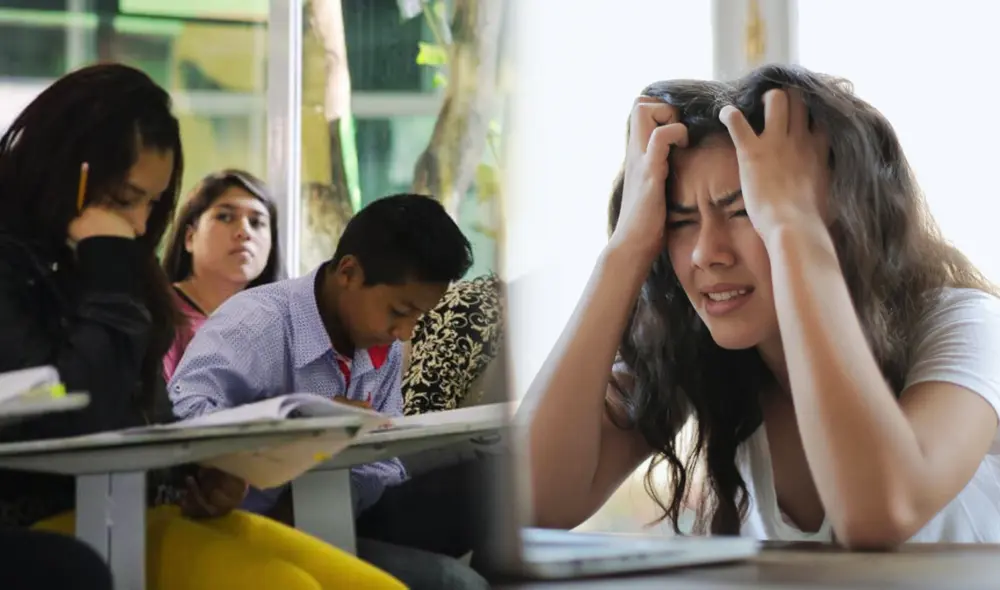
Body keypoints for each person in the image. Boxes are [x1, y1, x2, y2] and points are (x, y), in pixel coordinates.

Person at [523, 63, 1000, 549]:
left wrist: (791, 226)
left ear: (843, 216)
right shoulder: (697, 347)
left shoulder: (968, 323)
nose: (707, 253)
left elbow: (881, 512)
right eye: (681, 222)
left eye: (746, 211)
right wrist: (626, 248)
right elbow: (530, 502)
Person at [0, 63, 404, 589]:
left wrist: (199, 474)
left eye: (151, 203)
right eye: (124, 200)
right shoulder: (32, 268)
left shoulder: (120, 270)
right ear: (69, 174)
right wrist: (108, 270)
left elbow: (148, 414)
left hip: (143, 510)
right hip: (43, 518)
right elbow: (82, 413)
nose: (141, 224)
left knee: (375, 586)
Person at [169, 193, 491, 589]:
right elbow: (181, 411)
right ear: (349, 273)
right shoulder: (259, 324)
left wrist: (332, 471)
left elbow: (381, 468)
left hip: (328, 513)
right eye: (399, 311)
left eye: (418, 317)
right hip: (237, 528)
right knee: (455, 583)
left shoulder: (379, 344)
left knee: (489, 482)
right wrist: (298, 428)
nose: (405, 333)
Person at [162, 168, 282, 382]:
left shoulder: (278, 329)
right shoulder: (160, 312)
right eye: (225, 217)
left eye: (257, 223)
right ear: (190, 237)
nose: (244, 232)